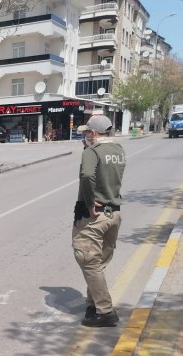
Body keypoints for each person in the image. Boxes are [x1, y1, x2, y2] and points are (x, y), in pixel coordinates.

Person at [73, 114, 125, 327]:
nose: (84, 136)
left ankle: (105, 310)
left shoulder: (92, 152)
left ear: (93, 133)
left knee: (86, 258)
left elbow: (86, 176)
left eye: (86, 133)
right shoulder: (118, 150)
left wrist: (90, 202)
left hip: (95, 215)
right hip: (114, 214)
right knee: (98, 262)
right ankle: (93, 303)